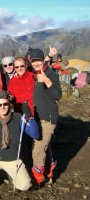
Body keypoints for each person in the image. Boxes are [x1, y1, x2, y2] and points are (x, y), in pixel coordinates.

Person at [29, 48, 62, 185]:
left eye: (39, 60)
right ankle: (49, 171)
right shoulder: (33, 74)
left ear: (43, 60)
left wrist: (47, 81)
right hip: (37, 116)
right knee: (45, 147)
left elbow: (57, 95)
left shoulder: (50, 74)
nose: (36, 63)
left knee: (38, 149)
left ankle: (37, 178)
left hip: (47, 118)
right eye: (34, 61)